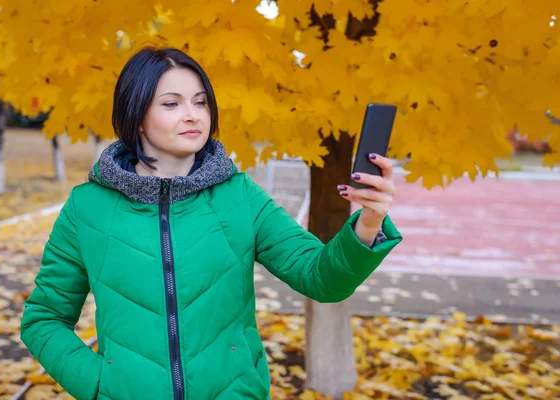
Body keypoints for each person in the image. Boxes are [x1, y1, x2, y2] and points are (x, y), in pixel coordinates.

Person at [20, 47, 402, 400]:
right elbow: (44, 319)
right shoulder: (88, 207)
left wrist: (369, 221)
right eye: (172, 103)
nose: (193, 114)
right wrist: (102, 386)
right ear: (136, 116)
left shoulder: (240, 197)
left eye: (200, 102)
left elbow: (322, 279)